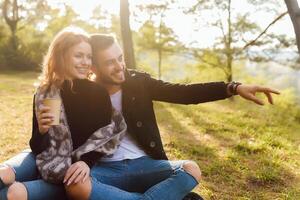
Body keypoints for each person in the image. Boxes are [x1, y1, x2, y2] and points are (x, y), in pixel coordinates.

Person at [64, 34, 280, 200]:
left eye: (120, 58)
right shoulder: (81, 93)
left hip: (145, 164)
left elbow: (184, 93)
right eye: (110, 62)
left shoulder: (138, 83)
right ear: (93, 67)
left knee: (190, 169)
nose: (120, 66)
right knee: (75, 186)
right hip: (103, 170)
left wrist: (233, 87)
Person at [0, 27, 126, 200]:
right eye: (79, 55)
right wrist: (43, 132)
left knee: (13, 194)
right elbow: (37, 146)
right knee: (3, 175)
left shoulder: (96, 93)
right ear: (61, 55)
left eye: (89, 57)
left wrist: (87, 161)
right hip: (47, 160)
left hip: (74, 173)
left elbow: (105, 138)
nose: (85, 62)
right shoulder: (46, 92)